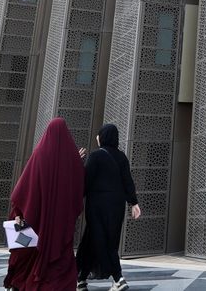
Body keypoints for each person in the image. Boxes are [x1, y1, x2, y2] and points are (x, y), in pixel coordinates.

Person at [3, 118, 85, 291]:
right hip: (59, 227)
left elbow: (24, 187)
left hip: (36, 221)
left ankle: (22, 282)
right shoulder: (71, 159)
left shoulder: (40, 153)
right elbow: (77, 188)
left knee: (31, 250)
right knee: (59, 259)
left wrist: (19, 211)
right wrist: (76, 160)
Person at [76, 123, 141, 291]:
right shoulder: (122, 157)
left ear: (103, 137)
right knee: (97, 240)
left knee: (101, 240)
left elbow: (84, 182)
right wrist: (134, 203)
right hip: (116, 207)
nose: (97, 137)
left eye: (99, 134)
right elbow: (128, 181)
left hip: (97, 207)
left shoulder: (96, 156)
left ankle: (118, 279)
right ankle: (80, 279)